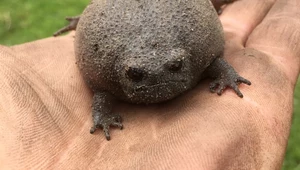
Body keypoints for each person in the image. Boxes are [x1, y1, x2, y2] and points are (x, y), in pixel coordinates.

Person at [0, 0, 299, 169]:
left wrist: (227, 75)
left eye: (174, 67)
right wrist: (101, 116)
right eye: (137, 74)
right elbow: (101, 92)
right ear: (125, 71)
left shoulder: (196, 57)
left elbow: (213, 62)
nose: (158, 78)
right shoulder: (107, 79)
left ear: (182, 61)